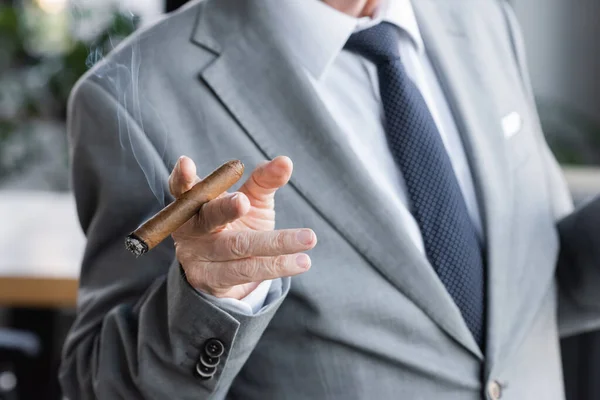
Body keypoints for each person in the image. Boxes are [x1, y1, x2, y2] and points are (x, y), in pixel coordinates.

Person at [59, 0, 600, 398]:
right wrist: (213, 300)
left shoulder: (482, 18)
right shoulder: (133, 97)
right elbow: (98, 387)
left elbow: (540, 286)